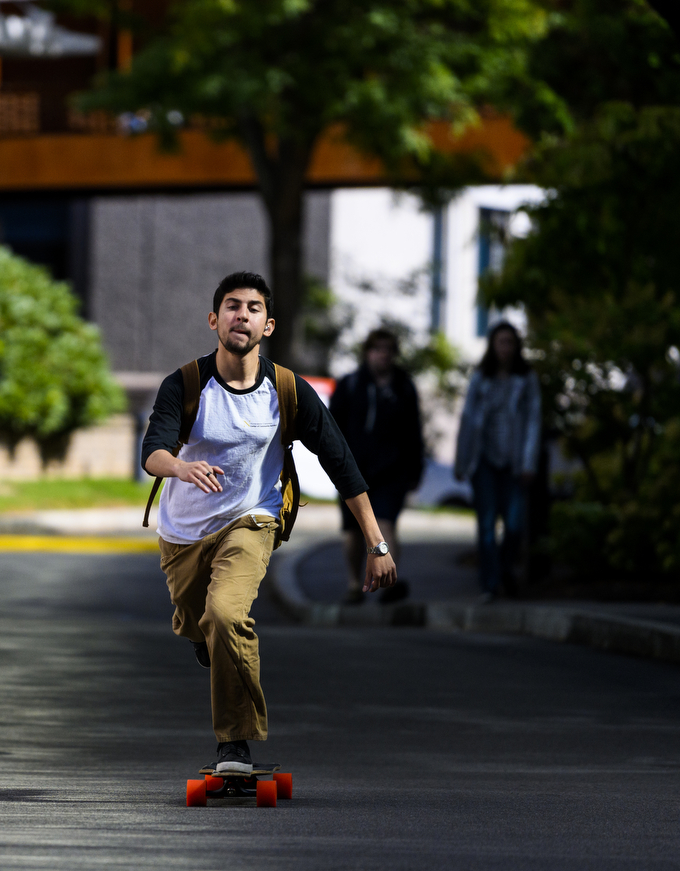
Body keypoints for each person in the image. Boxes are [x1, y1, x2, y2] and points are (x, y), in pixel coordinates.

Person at [142, 271, 397, 774]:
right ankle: (203, 636)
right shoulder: (185, 383)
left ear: (269, 325)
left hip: (252, 519)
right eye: (232, 306)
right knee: (198, 621)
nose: (242, 315)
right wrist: (180, 467)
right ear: (214, 320)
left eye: (253, 308)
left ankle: (234, 743)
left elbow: (341, 462)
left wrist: (376, 543)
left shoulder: (287, 389)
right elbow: (153, 452)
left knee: (226, 615)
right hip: (184, 532)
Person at [329, 328, 424, 604]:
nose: (383, 355)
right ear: (367, 352)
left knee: (385, 525)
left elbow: (414, 431)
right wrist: (335, 464)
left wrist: (415, 469)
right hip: (352, 470)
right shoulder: (350, 385)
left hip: (392, 471)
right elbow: (331, 428)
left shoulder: (403, 387)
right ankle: (354, 584)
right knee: (353, 531)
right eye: (377, 349)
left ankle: (388, 583)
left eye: (388, 350)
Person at [454, 321, 540, 601]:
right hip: (484, 460)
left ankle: (505, 571)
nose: (505, 348)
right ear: (492, 345)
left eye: (510, 342)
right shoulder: (481, 378)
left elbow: (533, 421)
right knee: (487, 525)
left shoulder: (526, 378)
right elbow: (468, 419)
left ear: (517, 346)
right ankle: (489, 584)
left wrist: (528, 462)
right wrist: (461, 461)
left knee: (514, 526)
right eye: (500, 342)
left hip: (514, 462)